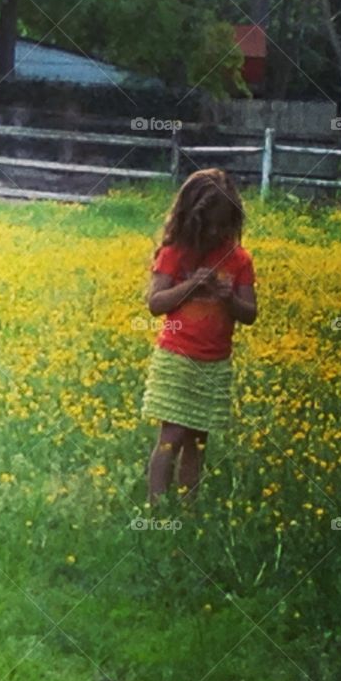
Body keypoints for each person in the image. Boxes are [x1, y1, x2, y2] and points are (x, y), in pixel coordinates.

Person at [141, 168, 257, 505]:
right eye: (209, 225)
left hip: (214, 363)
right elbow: (156, 303)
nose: (216, 233)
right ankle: (157, 507)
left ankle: (189, 508)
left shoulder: (239, 260)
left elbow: (250, 314)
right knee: (172, 435)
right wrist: (192, 285)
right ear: (192, 219)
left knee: (198, 439)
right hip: (177, 357)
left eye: (224, 226)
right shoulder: (175, 253)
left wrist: (229, 298)